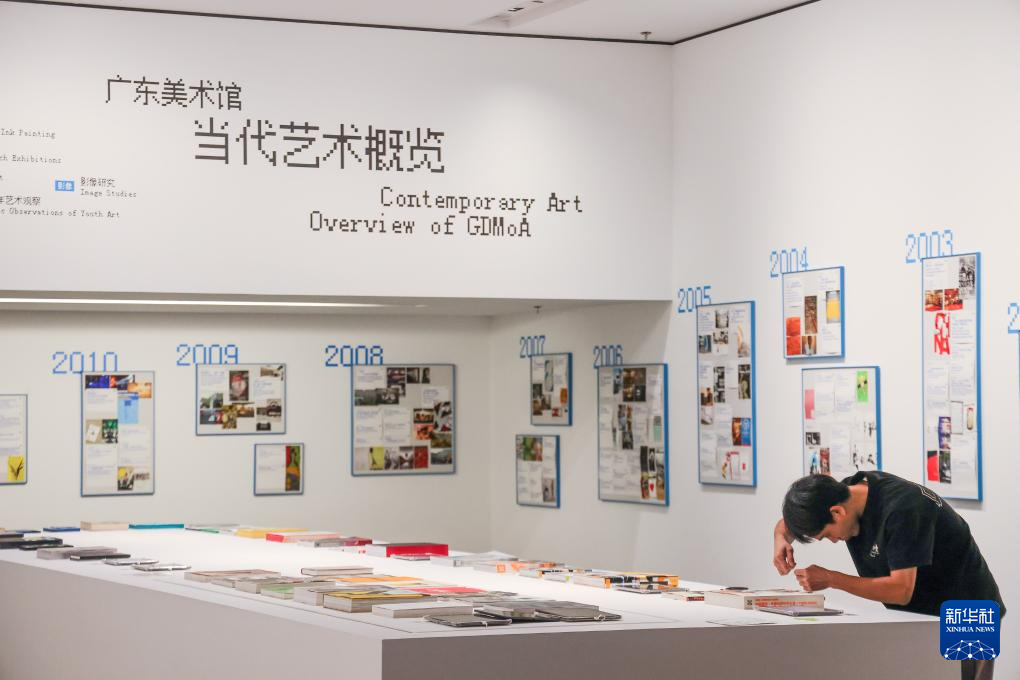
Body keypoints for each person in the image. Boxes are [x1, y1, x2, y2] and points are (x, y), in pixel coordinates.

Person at [773, 471, 1004, 680]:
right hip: (920, 614)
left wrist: (831, 579)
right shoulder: (841, 494)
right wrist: (780, 539)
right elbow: (786, 524)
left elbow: (900, 591)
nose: (833, 540)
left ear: (837, 512)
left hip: (967, 609)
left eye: (826, 535)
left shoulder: (902, 510)